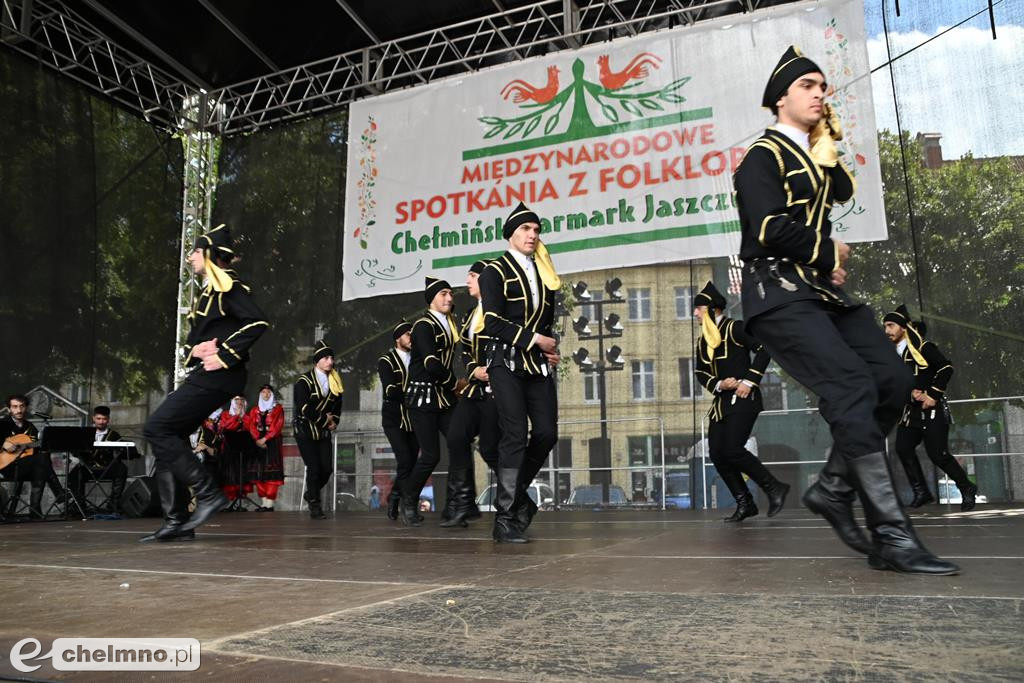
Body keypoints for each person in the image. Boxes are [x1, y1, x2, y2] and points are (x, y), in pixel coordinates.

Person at [732, 46, 957, 574]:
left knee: (894, 383)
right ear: (780, 97)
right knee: (852, 386)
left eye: (823, 87)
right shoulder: (761, 157)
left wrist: (827, 145)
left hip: (821, 294)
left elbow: (836, 192)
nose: (819, 93)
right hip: (779, 295)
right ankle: (893, 536)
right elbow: (766, 230)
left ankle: (833, 488)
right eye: (808, 85)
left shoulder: (812, 156)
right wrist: (826, 251)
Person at [141, 224, 269, 542]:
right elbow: (197, 341)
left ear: (209, 254)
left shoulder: (229, 286)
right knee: (169, 435)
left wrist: (224, 354)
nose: (190, 257)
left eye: (195, 251)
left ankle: (207, 493)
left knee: (157, 427)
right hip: (208, 373)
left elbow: (257, 322)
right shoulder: (210, 292)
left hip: (221, 375)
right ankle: (177, 521)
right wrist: (194, 350)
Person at [479, 202, 560, 543]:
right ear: (511, 233)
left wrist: (549, 348)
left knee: (546, 433)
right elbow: (493, 322)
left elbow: (545, 322)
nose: (532, 235)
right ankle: (506, 518)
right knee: (514, 435)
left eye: (537, 230)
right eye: (526, 229)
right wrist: (536, 339)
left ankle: (516, 496)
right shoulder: (493, 272)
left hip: (535, 364)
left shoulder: (544, 272)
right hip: (504, 362)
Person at [692, 281, 788, 522]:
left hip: (745, 399)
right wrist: (719, 384)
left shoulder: (735, 328)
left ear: (713, 308)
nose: (694, 313)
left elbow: (765, 348)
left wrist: (748, 381)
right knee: (717, 453)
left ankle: (774, 487)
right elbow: (701, 372)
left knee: (733, 449)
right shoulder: (702, 341)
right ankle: (745, 503)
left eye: (698, 308)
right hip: (721, 404)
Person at [883, 305, 977, 511]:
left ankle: (967, 487)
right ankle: (921, 491)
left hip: (931, 410)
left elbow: (945, 368)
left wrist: (932, 394)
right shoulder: (891, 355)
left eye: (890, 325)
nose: (887, 330)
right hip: (909, 413)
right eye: (885, 326)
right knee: (903, 448)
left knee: (938, 454)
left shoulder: (924, 348)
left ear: (903, 328)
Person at [441, 260, 501, 529]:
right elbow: (464, 352)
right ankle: (464, 504)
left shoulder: (501, 310)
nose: (467, 281)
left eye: (473, 276)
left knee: (490, 448)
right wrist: (473, 369)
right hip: (475, 388)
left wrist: (495, 368)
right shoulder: (469, 315)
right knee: (456, 436)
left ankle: (519, 499)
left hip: (497, 390)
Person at [399, 277, 462, 527]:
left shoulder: (450, 323)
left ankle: (457, 505)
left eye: (450, 293)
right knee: (431, 455)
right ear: (432, 298)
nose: (448, 298)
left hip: (444, 396)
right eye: (443, 293)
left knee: (459, 444)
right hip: (424, 396)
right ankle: (408, 499)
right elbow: (430, 363)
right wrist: (456, 383)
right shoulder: (424, 325)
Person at [293, 340, 344, 519]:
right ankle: (315, 506)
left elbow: (337, 405)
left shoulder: (335, 381)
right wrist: (325, 419)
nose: (330, 361)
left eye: (331, 357)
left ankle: (311, 493)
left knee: (327, 469)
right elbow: (304, 407)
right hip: (305, 430)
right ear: (317, 362)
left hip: (322, 431)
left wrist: (334, 421)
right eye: (326, 358)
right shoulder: (303, 381)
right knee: (314, 468)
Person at [377, 321, 419, 521]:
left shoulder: (418, 357)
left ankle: (395, 496)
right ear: (398, 338)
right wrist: (414, 395)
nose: (411, 337)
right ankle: (403, 503)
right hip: (394, 419)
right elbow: (390, 389)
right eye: (408, 334)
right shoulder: (386, 360)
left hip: (415, 418)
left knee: (411, 464)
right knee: (405, 460)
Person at [1, 394, 65, 518]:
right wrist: (4, 443)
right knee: (42, 462)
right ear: (9, 409)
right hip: (7, 466)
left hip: (26, 466)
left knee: (41, 465)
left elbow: (36, 448)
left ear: (26, 407)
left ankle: (34, 511)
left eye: (21, 406)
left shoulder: (30, 427)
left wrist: (44, 445)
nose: (19, 410)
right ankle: (58, 493)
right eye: (14, 407)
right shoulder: (2, 424)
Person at [67, 405, 134, 515]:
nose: (101, 422)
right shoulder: (84, 433)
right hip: (89, 468)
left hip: (107, 468)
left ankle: (113, 504)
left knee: (121, 469)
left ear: (108, 420)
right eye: (98, 419)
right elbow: (75, 451)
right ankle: (79, 505)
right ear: (93, 418)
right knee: (74, 473)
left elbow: (125, 452)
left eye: (104, 419)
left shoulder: (114, 435)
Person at [244, 384, 285, 511]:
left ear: (271, 394)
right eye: (263, 392)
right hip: (257, 444)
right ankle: (263, 503)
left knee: (271, 474)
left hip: (272, 443)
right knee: (258, 473)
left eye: (268, 392)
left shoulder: (278, 409)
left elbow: (277, 426)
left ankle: (270, 504)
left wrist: (265, 439)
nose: (265, 394)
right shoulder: (254, 410)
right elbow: (251, 426)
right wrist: (257, 439)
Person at [218, 395, 252, 504]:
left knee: (242, 474)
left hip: (243, 450)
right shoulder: (225, 414)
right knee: (230, 474)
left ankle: (240, 500)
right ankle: (229, 501)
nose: (239, 402)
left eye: (242, 400)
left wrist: (242, 417)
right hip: (229, 450)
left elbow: (250, 428)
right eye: (237, 400)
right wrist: (236, 416)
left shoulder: (247, 416)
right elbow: (226, 427)